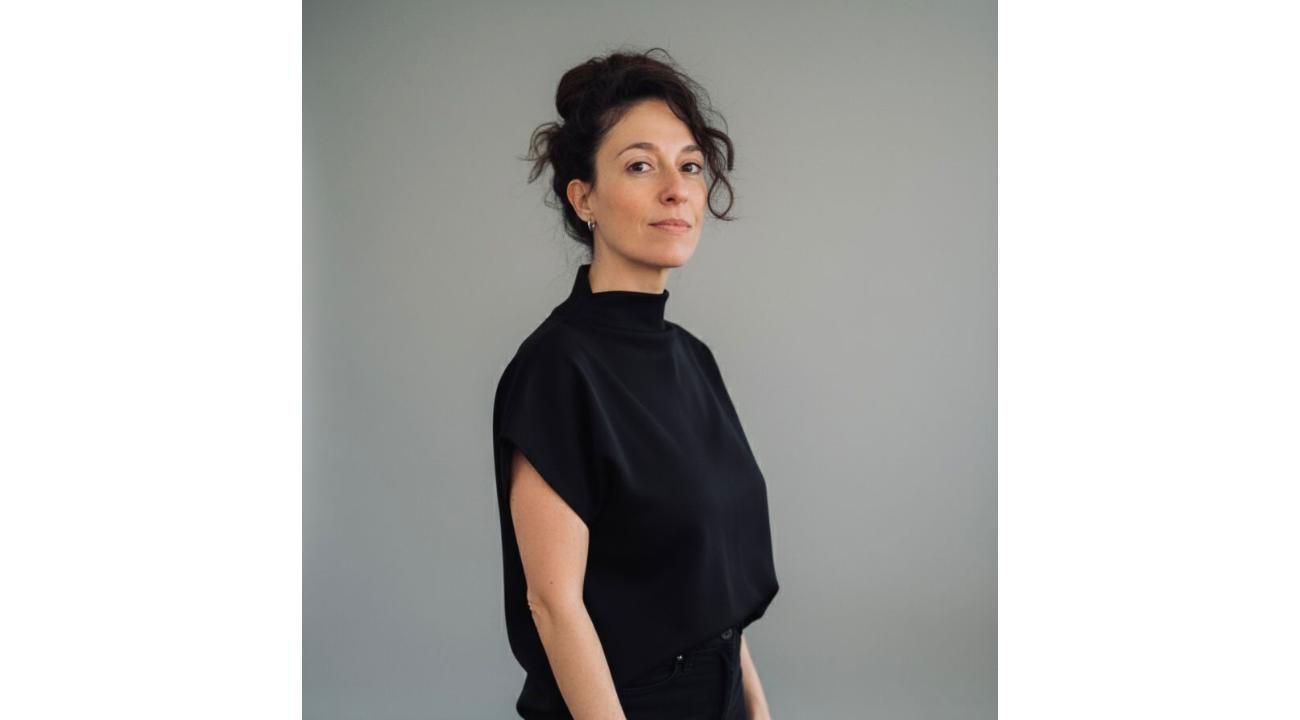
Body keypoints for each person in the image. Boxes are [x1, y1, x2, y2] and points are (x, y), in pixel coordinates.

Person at [491, 47, 780, 719]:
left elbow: (712, 592)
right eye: (641, 165)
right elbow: (553, 604)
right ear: (583, 197)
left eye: (690, 166)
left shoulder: (693, 360)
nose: (676, 189)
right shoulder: (558, 368)